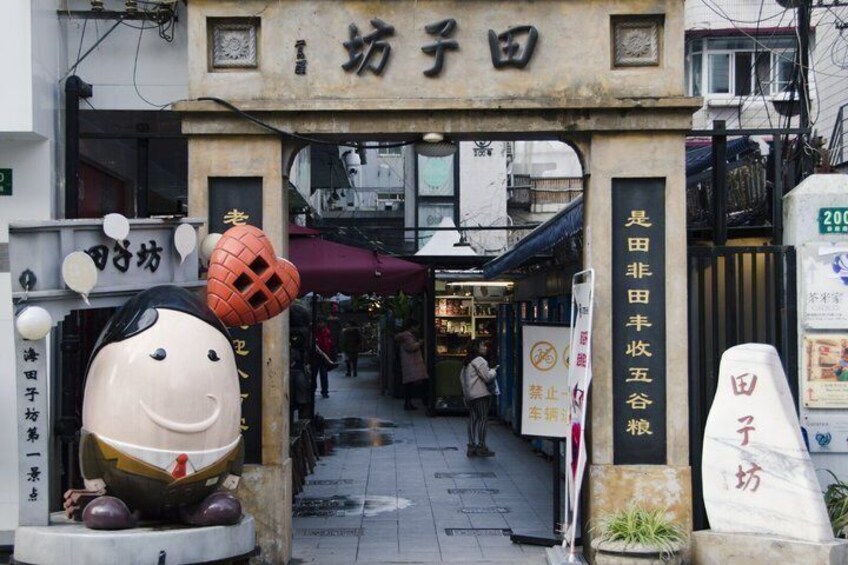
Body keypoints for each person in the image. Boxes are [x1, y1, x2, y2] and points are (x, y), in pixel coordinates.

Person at [461, 338, 498, 458]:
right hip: (480, 394)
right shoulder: (479, 360)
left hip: (470, 395)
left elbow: (462, 379)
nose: (485, 347)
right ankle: (482, 446)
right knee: (483, 418)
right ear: (477, 348)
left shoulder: (467, 362)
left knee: (473, 419)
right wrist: (493, 371)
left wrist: (465, 395)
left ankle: (471, 446)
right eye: (483, 345)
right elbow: (487, 377)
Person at [395, 320, 428, 411]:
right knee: (413, 384)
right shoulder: (407, 336)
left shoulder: (405, 336)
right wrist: (420, 343)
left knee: (409, 385)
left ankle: (408, 403)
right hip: (412, 363)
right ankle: (411, 403)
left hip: (409, 363)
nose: (417, 329)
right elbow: (411, 347)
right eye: (416, 327)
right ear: (412, 327)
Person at [314, 319, 336, 398]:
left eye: (321, 322)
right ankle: (316, 390)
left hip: (324, 356)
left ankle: (325, 391)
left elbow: (330, 344)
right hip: (316, 356)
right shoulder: (315, 332)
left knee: (323, 374)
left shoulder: (327, 332)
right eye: (319, 322)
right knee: (315, 374)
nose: (320, 324)